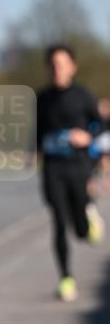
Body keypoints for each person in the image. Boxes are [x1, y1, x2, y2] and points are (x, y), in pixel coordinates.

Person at [36, 43, 105, 302]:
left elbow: (101, 126)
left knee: (80, 230)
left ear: (72, 67)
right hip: (53, 168)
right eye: (53, 65)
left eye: (62, 64)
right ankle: (66, 278)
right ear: (48, 68)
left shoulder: (83, 96)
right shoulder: (41, 99)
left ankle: (87, 217)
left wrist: (87, 136)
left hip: (78, 165)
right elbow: (34, 131)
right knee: (58, 223)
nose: (57, 70)